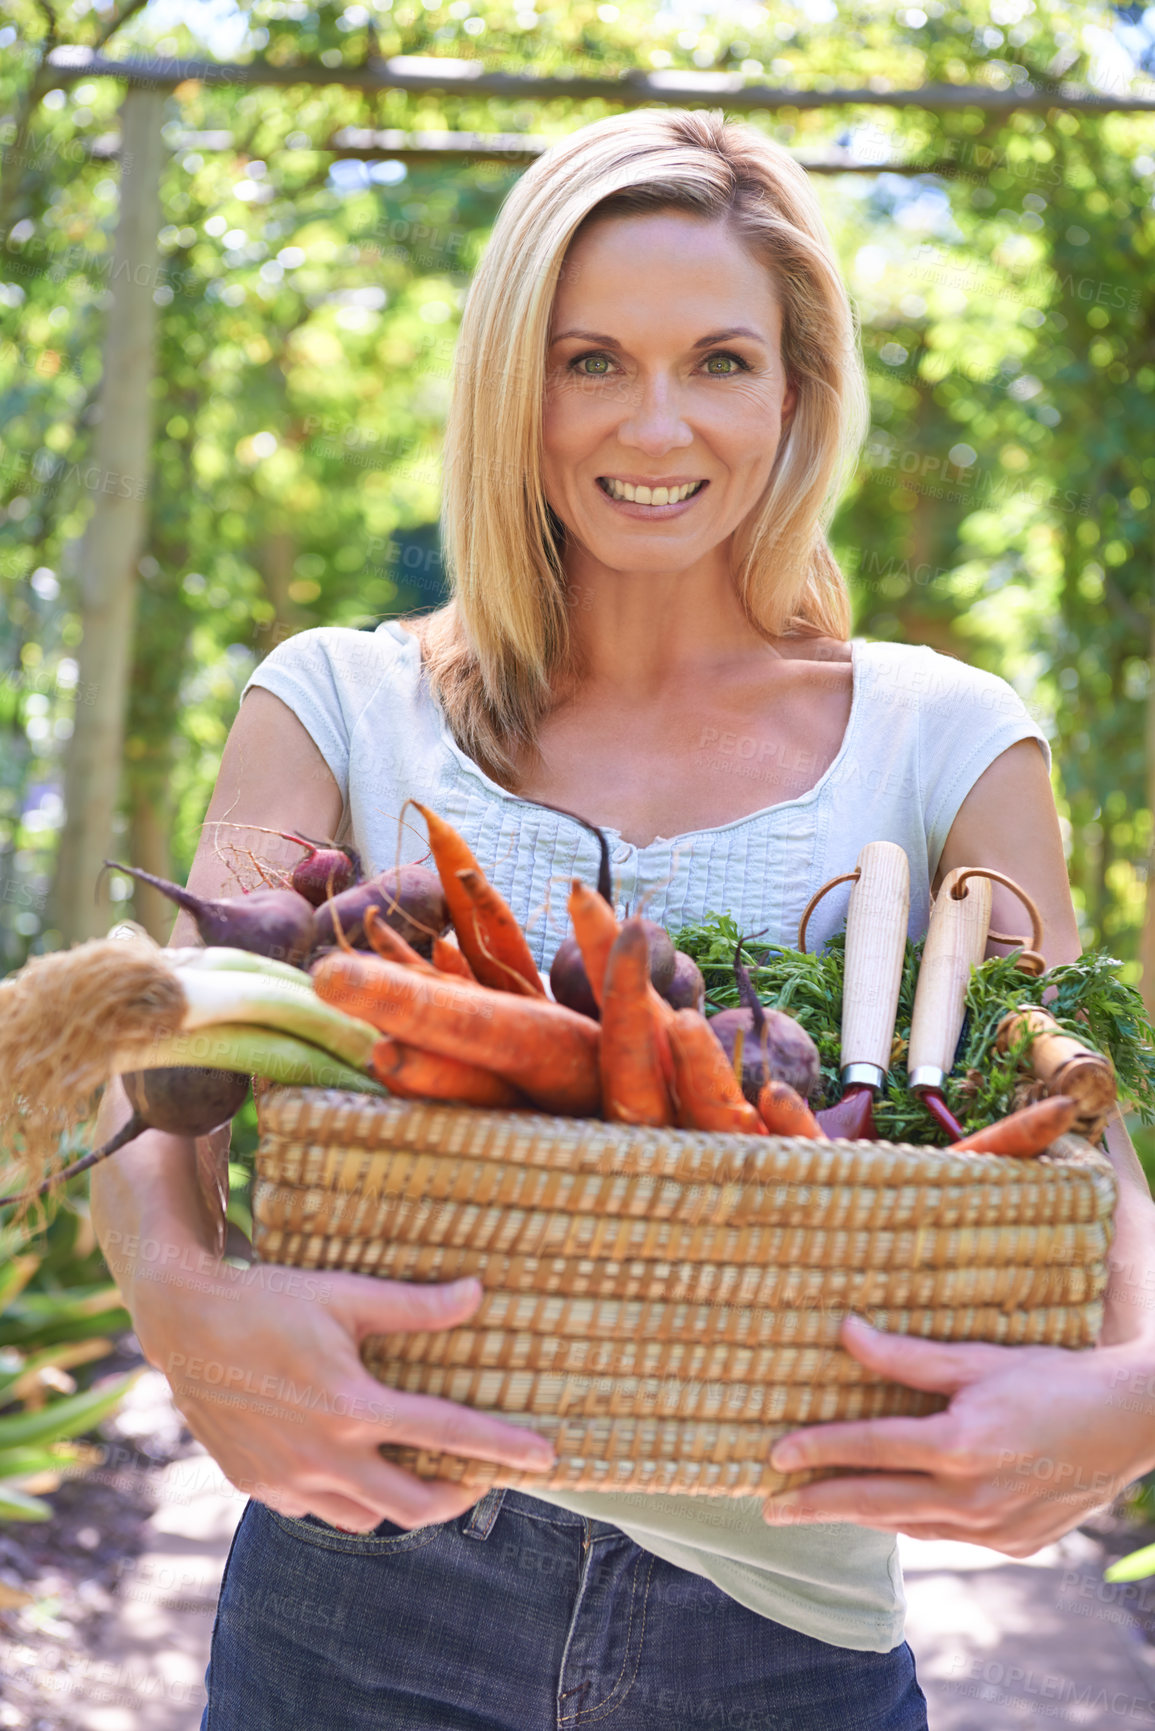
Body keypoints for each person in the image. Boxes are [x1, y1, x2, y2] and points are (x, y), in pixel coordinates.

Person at [89, 109, 1155, 1730]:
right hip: (361, 1576)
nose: (655, 423)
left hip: (782, 1617)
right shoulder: (337, 706)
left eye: (719, 360)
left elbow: (1082, 1120)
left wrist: (1134, 1400)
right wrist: (188, 1310)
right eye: (591, 360)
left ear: (798, 390)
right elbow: (157, 1071)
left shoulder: (949, 739)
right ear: (514, 385)